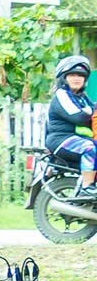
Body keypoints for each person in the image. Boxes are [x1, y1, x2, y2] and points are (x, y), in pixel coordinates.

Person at [44, 54, 97, 195]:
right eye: (72, 75)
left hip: (77, 138)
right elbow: (78, 117)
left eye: (80, 76)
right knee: (89, 148)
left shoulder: (82, 97)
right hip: (61, 139)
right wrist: (90, 112)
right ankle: (87, 187)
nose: (77, 78)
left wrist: (90, 111)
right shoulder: (62, 94)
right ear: (64, 78)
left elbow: (92, 111)